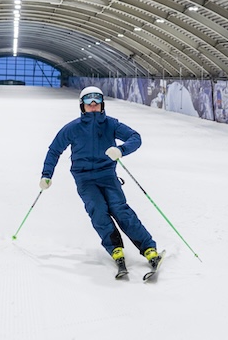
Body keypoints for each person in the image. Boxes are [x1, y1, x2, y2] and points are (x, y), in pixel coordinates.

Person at [39, 86, 160, 277]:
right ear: (82, 106)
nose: (93, 105)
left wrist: (121, 150)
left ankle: (148, 249)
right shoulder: (73, 128)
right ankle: (115, 249)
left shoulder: (111, 124)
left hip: (107, 175)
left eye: (97, 101)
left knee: (120, 210)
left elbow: (135, 137)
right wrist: (46, 175)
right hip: (84, 178)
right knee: (98, 210)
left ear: (102, 105)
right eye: (88, 101)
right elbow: (54, 150)